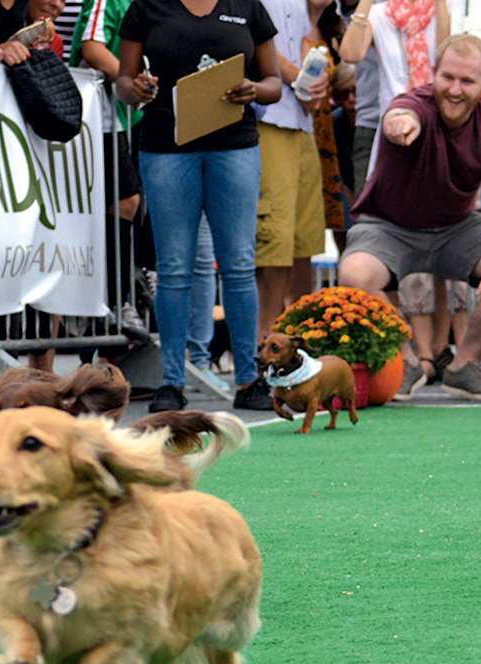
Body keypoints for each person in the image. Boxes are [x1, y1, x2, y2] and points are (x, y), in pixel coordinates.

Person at [338, 34, 481, 401]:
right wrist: (400, 124)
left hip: (459, 227)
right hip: (389, 226)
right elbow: (400, 114)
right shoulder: (413, 104)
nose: (455, 90)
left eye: (467, 81)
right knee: (354, 275)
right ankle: (406, 361)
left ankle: (465, 365)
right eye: (448, 78)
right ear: (433, 74)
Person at [115, 0, 285, 412]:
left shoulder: (246, 6)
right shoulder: (146, 6)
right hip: (166, 147)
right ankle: (172, 382)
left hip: (235, 146)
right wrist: (137, 88)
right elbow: (122, 80)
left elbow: (275, 84)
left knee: (240, 265)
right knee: (173, 267)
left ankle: (249, 380)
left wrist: (254, 90)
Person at [253, 0, 329, 337]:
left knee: (304, 238)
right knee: (274, 235)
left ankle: (298, 336)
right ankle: (262, 340)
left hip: (302, 120)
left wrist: (315, 76)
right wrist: (299, 77)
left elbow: (305, 36)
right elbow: (254, 38)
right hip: (267, 117)